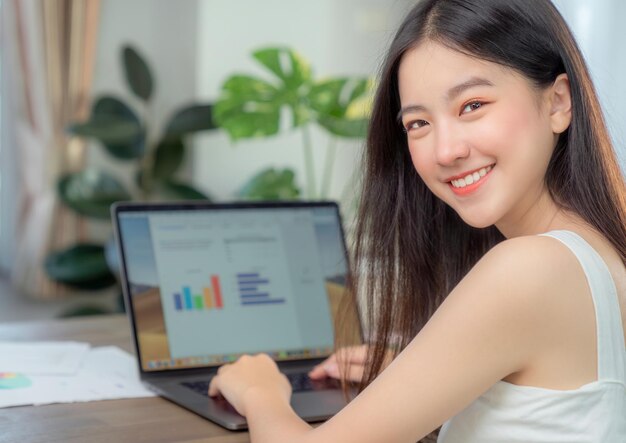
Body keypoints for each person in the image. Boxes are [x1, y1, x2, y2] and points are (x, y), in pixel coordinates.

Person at [208, 0, 626, 441]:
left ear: (559, 101)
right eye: (419, 123)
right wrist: (414, 368)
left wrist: (261, 392)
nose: (446, 151)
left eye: (472, 105)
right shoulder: (600, 249)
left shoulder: (533, 267)